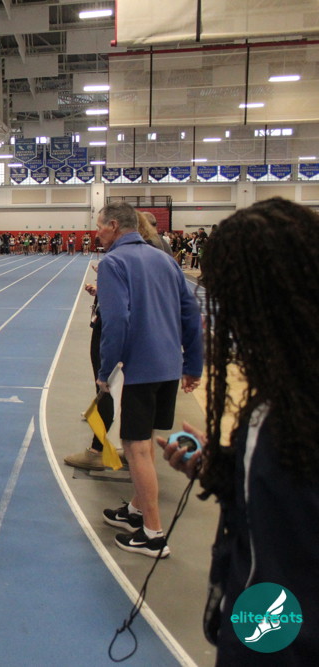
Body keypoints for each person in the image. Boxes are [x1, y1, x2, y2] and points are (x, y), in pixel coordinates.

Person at [159, 198, 318, 663]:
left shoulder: (282, 420)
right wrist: (227, 469)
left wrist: (246, 647)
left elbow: (277, 576)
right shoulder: (290, 399)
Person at [94, 201, 203, 558]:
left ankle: (153, 534)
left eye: (99, 226)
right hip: (168, 365)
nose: (97, 233)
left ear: (113, 225)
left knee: (136, 448)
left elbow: (116, 321)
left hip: (138, 368)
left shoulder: (113, 262)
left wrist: (106, 371)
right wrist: (194, 365)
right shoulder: (164, 259)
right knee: (146, 441)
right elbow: (191, 312)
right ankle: (136, 510)